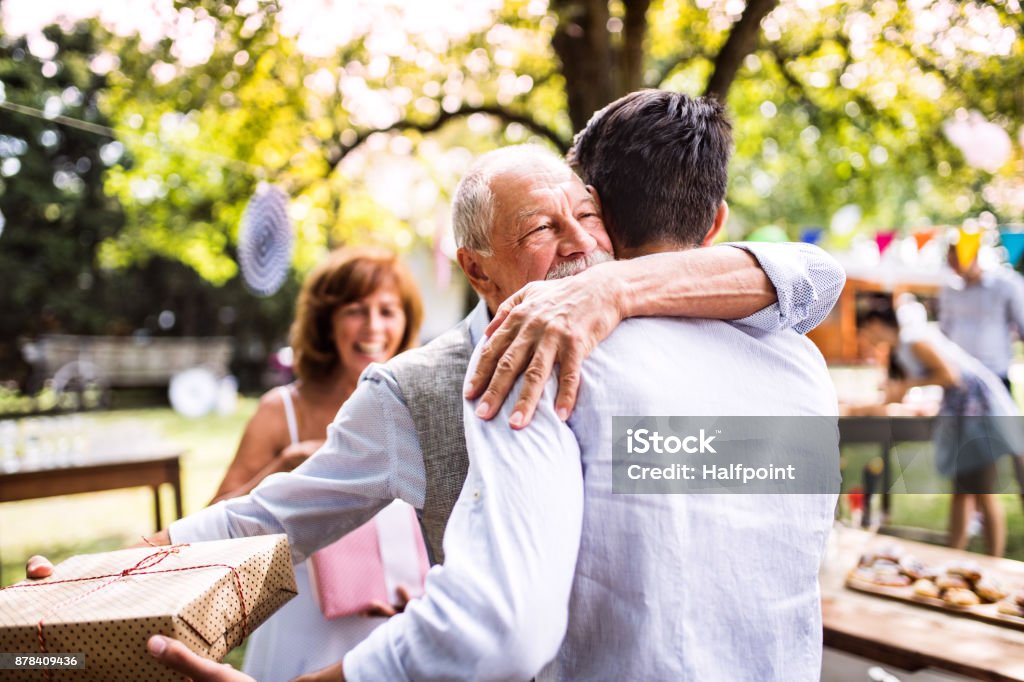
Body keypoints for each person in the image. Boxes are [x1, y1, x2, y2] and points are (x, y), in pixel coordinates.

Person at [29, 145, 845, 678]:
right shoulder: (430, 386)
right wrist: (110, 574)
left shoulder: (722, 344)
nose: (579, 242)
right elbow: (275, 520)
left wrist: (619, 288)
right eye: (540, 228)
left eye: (586, 215)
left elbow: (813, 277)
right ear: (477, 269)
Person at [338, 91, 841, 681]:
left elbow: (505, 629)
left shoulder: (549, 356)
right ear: (718, 220)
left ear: (595, 213)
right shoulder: (803, 367)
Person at [224, 247, 427, 681]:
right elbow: (215, 522)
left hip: (397, 631)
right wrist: (281, 466)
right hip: (302, 632)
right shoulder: (281, 412)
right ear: (325, 321)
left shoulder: (417, 407)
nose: (374, 327)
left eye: (388, 311)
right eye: (355, 310)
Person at [860, 301, 1024, 557]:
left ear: (876, 324)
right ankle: (954, 556)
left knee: (982, 492)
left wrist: (910, 386)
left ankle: (994, 561)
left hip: (978, 412)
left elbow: (950, 376)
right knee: (961, 490)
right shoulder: (902, 347)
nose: (866, 336)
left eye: (867, 329)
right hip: (964, 415)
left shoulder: (914, 339)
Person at [939, 244, 1024, 393]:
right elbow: (945, 330)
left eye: (957, 261)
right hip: (959, 374)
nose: (955, 268)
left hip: (994, 372)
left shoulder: (1005, 285)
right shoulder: (949, 290)